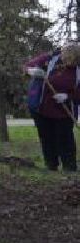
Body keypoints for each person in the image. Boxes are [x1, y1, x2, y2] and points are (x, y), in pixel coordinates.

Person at [25, 44, 79, 172]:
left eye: (73, 62)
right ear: (62, 55)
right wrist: (31, 71)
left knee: (65, 139)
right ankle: (51, 165)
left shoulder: (78, 69)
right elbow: (28, 65)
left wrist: (68, 96)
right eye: (67, 60)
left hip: (65, 111)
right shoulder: (50, 59)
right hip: (41, 107)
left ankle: (69, 166)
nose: (69, 64)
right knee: (47, 138)